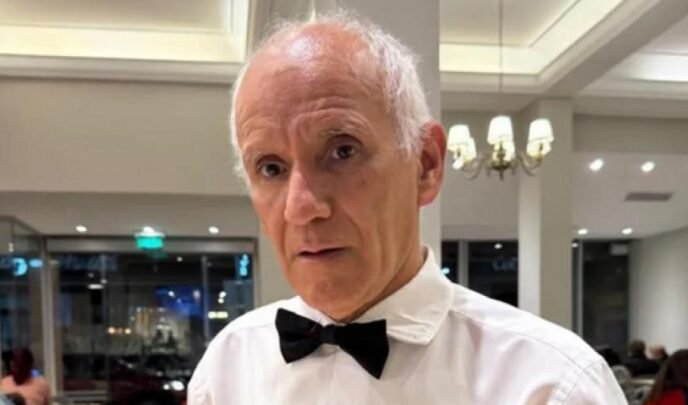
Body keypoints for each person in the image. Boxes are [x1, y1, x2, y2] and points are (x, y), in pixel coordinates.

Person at [188, 12, 626, 404]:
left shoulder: (554, 386)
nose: (301, 207)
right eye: (271, 167)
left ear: (426, 164)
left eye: (343, 151)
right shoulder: (226, 369)